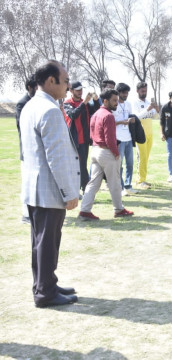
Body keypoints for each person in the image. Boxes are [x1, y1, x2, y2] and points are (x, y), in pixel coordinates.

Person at [20, 60, 80, 307]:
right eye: (65, 81)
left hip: (36, 189)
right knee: (48, 242)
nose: (67, 86)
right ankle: (45, 292)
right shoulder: (50, 111)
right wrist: (69, 192)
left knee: (41, 241)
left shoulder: (31, 106)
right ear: (50, 81)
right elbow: (57, 158)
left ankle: (46, 284)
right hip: (49, 189)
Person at [78, 89, 134, 220]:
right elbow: (110, 139)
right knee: (115, 183)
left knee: (93, 183)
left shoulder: (96, 114)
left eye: (116, 100)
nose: (116, 103)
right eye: (114, 101)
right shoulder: (108, 116)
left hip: (96, 150)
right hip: (106, 152)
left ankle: (84, 211)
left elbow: (92, 134)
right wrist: (116, 153)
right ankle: (119, 209)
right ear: (105, 101)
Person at [64, 81, 100, 198]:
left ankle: (84, 190)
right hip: (73, 140)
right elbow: (73, 115)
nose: (80, 92)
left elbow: (96, 111)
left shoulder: (83, 103)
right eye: (77, 90)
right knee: (77, 166)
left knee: (82, 165)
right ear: (71, 91)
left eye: (81, 90)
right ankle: (82, 189)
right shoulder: (67, 103)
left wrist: (95, 100)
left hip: (84, 140)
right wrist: (84, 102)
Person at [16, 76, 38, 224]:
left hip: (37, 151)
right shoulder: (22, 103)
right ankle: (26, 214)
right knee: (27, 182)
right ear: (30, 87)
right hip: (27, 150)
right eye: (36, 87)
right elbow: (22, 128)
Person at [132, 82, 158, 189]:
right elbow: (136, 117)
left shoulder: (148, 102)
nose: (144, 93)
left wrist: (156, 109)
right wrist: (147, 109)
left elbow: (155, 117)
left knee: (146, 157)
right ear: (137, 91)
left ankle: (143, 179)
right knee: (141, 157)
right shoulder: (135, 103)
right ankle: (139, 181)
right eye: (142, 91)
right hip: (140, 133)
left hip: (149, 133)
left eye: (145, 91)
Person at [113, 83, 137, 196]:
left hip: (128, 137)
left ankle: (128, 185)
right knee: (119, 165)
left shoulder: (128, 104)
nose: (125, 95)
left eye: (127, 92)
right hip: (119, 139)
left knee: (130, 164)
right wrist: (122, 122)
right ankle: (121, 187)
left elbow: (130, 118)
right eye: (123, 92)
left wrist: (131, 121)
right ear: (118, 93)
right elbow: (110, 122)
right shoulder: (114, 105)